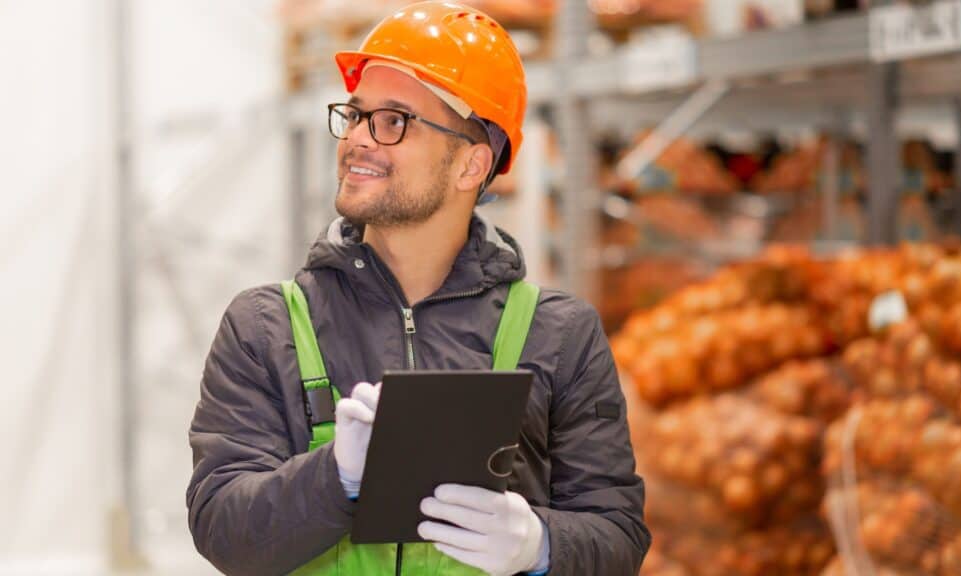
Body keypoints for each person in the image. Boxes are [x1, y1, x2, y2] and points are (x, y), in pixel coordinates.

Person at [186, 2, 650, 574]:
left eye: (394, 120)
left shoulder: (559, 335)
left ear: (471, 165)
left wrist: (541, 544)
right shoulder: (268, 325)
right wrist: (336, 476)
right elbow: (221, 529)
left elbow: (618, 534)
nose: (358, 139)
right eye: (356, 116)